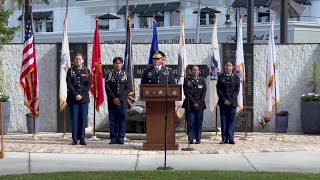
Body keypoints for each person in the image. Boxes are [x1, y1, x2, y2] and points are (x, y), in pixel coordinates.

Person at [105, 57, 132, 144]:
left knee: (122, 121)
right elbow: (107, 88)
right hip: (112, 102)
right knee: (112, 121)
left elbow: (128, 89)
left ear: (122, 64)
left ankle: (121, 138)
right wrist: (114, 98)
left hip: (122, 102)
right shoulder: (109, 75)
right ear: (113, 64)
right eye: (116, 63)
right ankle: (113, 138)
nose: (118, 65)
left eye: (120, 63)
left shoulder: (126, 75)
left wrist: (119, 99)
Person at [66, 53, 92, 145]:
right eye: (76, 59)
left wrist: (81, 95)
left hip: (84, 99)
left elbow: (89, 84)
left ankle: (82, 139)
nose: (78, 61)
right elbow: (69, 84)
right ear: (74, 61)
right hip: (73, 99)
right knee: (74, 119)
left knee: (82, 119)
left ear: (83, 61)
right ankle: (74, 139)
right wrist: (76, 95)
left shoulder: (87, 71)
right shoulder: (70, 71)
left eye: (80, 59)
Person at [216, 61, 240, 145]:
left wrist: (230, 100)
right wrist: (224, 100)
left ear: (232, 67)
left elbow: (237, 90)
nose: (228, 67)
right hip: (223, 103)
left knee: (231, 121)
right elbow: (219, 90)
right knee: (223, 120)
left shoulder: (236, 77)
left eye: (230, 65)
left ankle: (231, 138)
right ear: (224, 67)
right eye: (226, 65)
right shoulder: (220, 76)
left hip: (232, 103)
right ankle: (224, 139)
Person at [182, 65, 207, 144]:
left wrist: (199, 102)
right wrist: (194, 102)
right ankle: (191, 138)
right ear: (191, 71)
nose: (195, 71)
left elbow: (204, 92)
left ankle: (198, 138)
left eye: (197, 70)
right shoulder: (187, 80)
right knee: (190, 121)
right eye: (194, 70)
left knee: (199, 121)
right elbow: (186, 92)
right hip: (190, 104)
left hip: (200, 105)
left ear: (199, 71)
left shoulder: (202, 80)